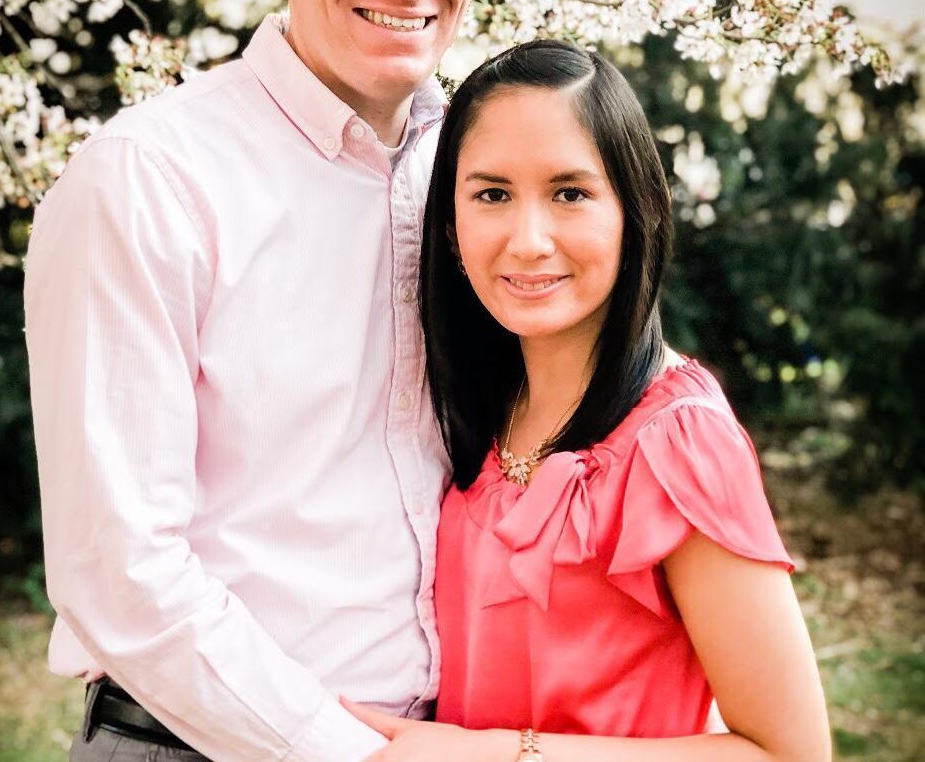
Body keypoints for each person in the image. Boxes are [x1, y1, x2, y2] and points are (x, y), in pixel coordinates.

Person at [24, 0, 494, 761]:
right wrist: (354, 753)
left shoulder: (484, 170)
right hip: (197, 745)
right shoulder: (149, 179)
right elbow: (120, 569)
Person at [344, 40, 831, 761]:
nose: (529, 240)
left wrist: (495, 755)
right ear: (449, 227)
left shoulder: (677, 440)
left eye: (570, 193)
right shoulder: (474, 407)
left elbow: (790, 752)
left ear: (635, 212)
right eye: (492, 194)